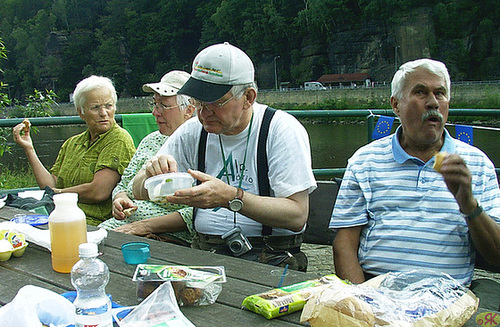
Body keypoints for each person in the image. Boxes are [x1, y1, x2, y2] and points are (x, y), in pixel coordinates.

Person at [329, 59, 500, 308]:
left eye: (440, 93)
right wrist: (365, 305)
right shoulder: (366, 160)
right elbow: (344, 244)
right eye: (420, 92)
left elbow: (496, 255)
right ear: (396, 105)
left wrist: (468, 203)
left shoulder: (475, 163)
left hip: (447, 303)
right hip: (377, 295)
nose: (433, 102)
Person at [131, 42, 317, 271]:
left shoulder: (280, 129)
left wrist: (231, 198)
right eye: (198, 102)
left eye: (216, 102)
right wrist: (151, 173)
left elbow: (297, 215)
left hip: (270, 255)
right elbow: (138, 191)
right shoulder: (193, 131)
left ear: (249, 97)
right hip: (203, 252)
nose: (203, 112)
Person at [13, 75, 136, 226]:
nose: (104, 113)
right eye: (95, 107)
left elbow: (98, 192)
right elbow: (50, 184)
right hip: (58, 216)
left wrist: (55, 194)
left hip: (91, 223)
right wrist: (29, 149)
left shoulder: (118, 139)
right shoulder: (72, 143)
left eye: (108, 105)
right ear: (81, 112)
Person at [99, 70, 196, 246]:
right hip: (125, 226)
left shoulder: (200, 146)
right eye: (154, 104)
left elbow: (201, 212)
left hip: (166, 238)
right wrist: (120, 199)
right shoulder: (151, 140)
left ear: (188, 110)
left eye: (163, 106)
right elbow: (122, 184)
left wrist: (146, 226)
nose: (154, 112)